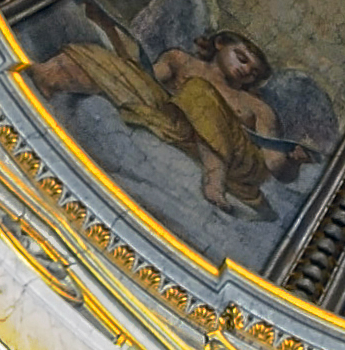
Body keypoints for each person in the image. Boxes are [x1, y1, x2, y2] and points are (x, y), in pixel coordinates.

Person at [25, 16, 315, 220]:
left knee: (199, 92)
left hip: (234, 161)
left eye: (253, 72)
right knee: (117, 69)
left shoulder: (256, 107)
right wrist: (113, 34)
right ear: (220, 44)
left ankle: (214, 178)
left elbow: (273, 164)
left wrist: (293, 161)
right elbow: (145, 78)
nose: (245, 70)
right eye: (241, 57)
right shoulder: (180, 61)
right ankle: (49, 76)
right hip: (172, 122)